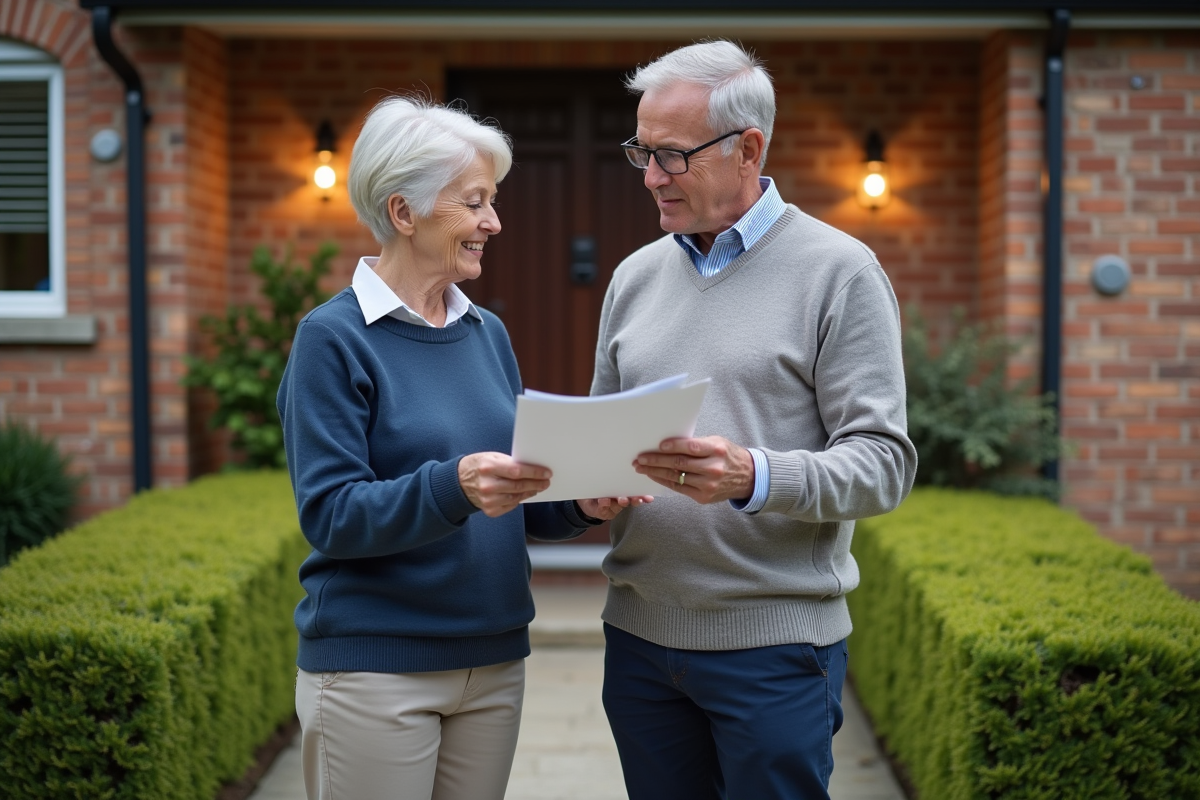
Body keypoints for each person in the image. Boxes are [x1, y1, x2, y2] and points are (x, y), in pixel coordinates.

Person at [277, 97, 644, 800]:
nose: (493, 223)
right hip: (376, 671)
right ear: (404, 212)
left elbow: (511, 496)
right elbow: (330, 515)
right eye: (475, 202)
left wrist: (578, 503)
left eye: (492, 202)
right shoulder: (333, 339)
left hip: (494, 661)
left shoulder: (487, 333)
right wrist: (453, 486)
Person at [592, 41, 918, 800]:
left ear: (749, 148)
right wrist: (583, 484)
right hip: (638, 644)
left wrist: (754, 475)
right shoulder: (633, 277)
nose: (649, 177)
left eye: (670, 156)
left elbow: (884, 465)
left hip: (774, 653)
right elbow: (608, 440)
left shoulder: (839, 272)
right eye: (641, 151)